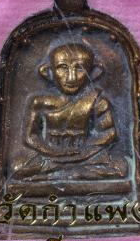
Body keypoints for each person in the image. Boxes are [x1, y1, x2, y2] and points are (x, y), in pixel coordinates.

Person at [13, 43, 127, 180]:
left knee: (120, 167)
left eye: (79, 68)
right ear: (49, 72)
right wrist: (52, 152)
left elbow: (109, 133)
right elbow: (30, 136)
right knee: (17, 167)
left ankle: (64, 175)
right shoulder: (39, 102)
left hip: (88, 157)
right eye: (62, 68)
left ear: (92, 72)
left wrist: (83, 153)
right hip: (49, 157)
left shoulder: (97, 100)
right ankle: (74, 174)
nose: (71, 77)